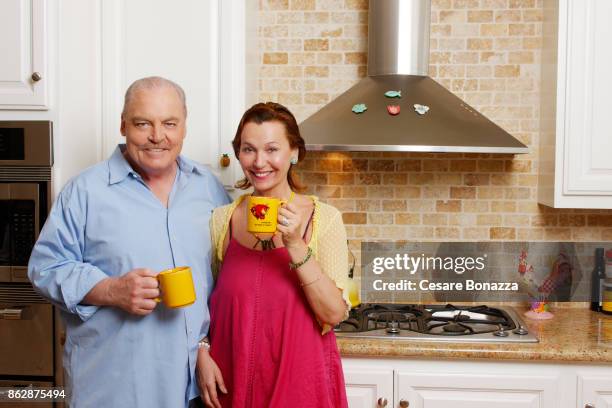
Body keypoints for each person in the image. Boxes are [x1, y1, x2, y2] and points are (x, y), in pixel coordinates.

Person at [28, 76, 229, 407]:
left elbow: (221, 277)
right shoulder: (85, 191)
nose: (157, 136)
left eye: (169, 123)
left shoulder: (208, 187)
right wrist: (112, 290)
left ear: (184, 127)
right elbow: (45, 268)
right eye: (142, 123)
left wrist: (205, 345)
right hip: (113, 386)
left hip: (191, 387)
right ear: (123, 126)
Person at [197, 102, 351, 408]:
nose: (259, 162)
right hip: (230, 383)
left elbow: (334, 314)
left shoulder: (324, 219)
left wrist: (295, 243)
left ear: (293, 152)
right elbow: (204, 306)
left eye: (271, 149)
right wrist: (202, 352)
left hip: (300, 386)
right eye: (248, 149)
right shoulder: (221, 220)